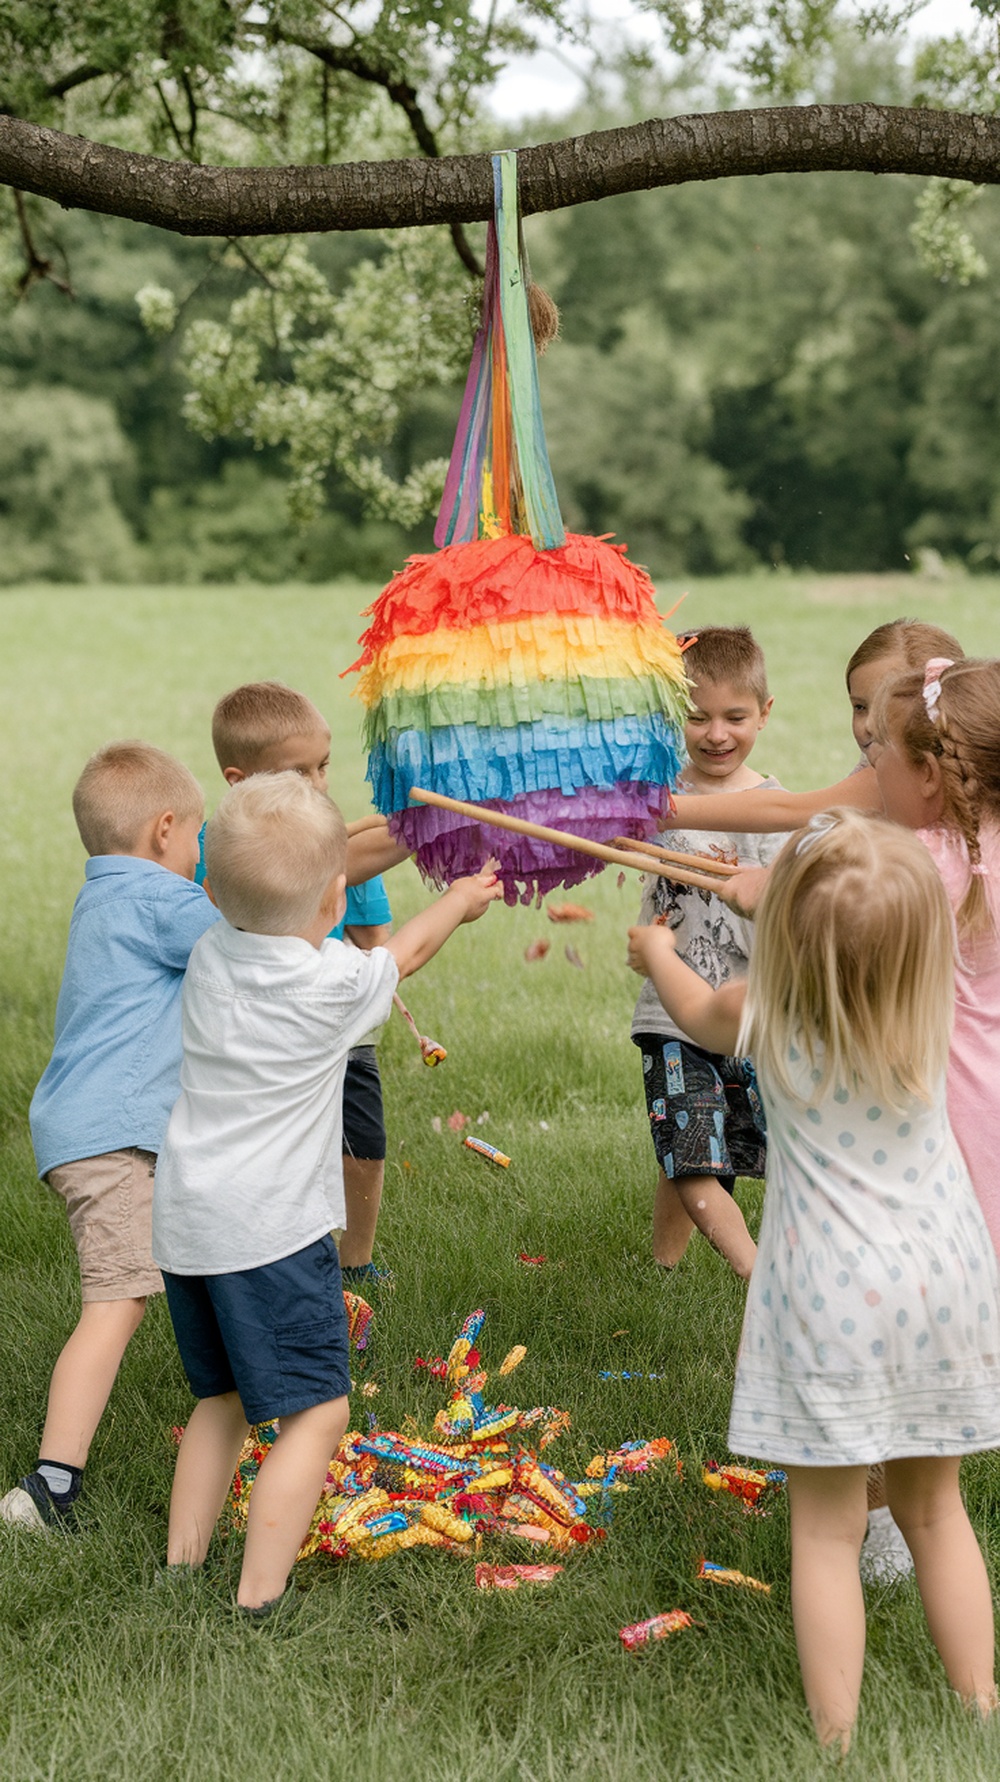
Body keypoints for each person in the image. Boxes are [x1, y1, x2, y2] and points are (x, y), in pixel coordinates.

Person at [628, 807, 1000, 1752]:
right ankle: (980, 1706)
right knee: (934, 1509)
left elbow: (688, 1004)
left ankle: (835, 1740)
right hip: (944, 1282)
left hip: (832, 1295)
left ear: (786, 936)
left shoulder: (763, 1010)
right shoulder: (941, 999)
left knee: (828, 1532)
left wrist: (653, 949)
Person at [154, 771, 501, 1613]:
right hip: (269, 1232)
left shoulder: (207, 955)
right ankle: (257, 1599)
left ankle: (180, 1570)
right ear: (336, 900)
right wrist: (458, 899)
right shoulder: (327, 985)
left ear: (209, 887)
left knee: (221, 1400)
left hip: (187, 1220)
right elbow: (403, 954)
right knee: (317, 1413)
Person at [0, 742, 217, 1531]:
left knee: (149, 1282)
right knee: (116, 1302)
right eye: (198, 836)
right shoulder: (163, 901)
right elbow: (245, 944)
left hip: (83, 1126)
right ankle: (51, 1485)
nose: (201, 852)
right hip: (112, 1137)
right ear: (166, 831)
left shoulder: (107, 896)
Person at [208, 680, 403, 1285]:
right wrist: (424, 832)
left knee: (363, 1142)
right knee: (275, 1153)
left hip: (339, 1022)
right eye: (298, 775)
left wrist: (385, 988)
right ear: (240, 782)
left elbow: (372, 931)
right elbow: (338, 864)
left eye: (322, 768)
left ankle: (357, 1258)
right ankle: (273, 1245)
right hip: (261, 1032)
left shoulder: (334, 832)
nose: (318, 787)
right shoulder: (224, 847)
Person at [631, 625, 787, 1277]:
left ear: (765, 714)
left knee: (732, 1146)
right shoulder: (656, 799)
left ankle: (673, 1268)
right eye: (696, 717)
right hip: (671, 1015)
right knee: (689, 1142)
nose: (716, 733)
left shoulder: (778, 810)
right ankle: (747, 1272)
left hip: (751, 1017)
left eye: (735, 717)